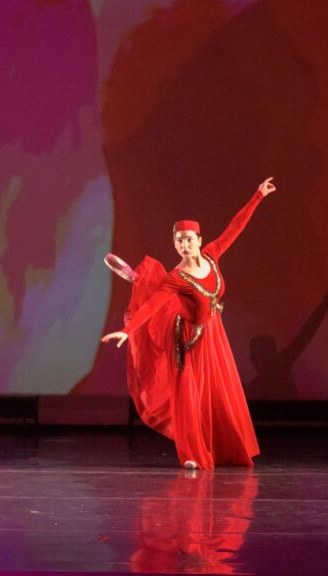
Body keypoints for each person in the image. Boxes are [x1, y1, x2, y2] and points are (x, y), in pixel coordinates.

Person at [101, 177, 276, 469]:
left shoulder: (212, 254)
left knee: (217, 392)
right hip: (188, 338)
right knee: (188, 395)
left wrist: (258, 195)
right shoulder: (176, 277)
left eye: (188, 240)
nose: (184, 245)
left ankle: (223, 448)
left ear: (198, 239)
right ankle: (191, 454)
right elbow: (153, 305)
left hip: (213, 333)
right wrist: (128, 330)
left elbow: (236, 228)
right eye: (178, 241)